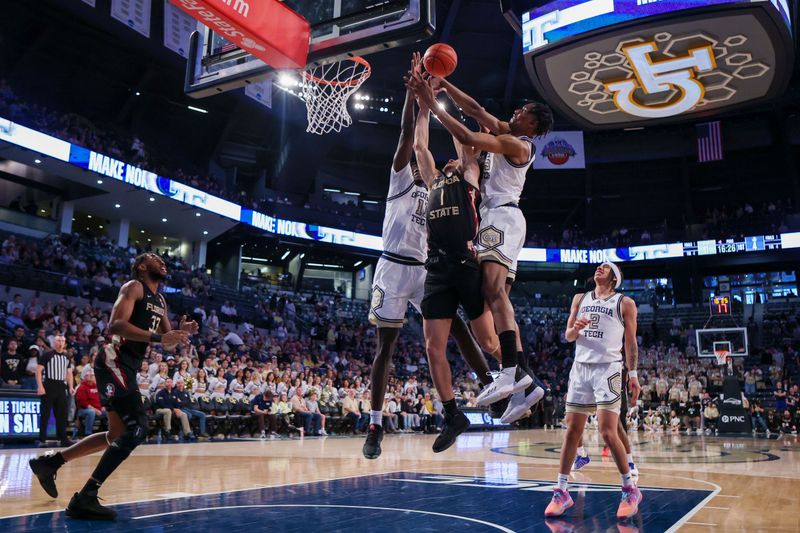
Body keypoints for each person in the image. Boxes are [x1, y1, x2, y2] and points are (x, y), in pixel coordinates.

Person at [363, 55, 499, 460]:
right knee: (384, 347)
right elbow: (412, 137)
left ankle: (490, 387)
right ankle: (374, 425)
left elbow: (456, 145)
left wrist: (435, 99)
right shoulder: (404, 176)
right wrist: (417, 99)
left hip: (426, 268)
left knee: (455, 328)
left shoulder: (446, 184)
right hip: (391, 266)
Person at [423, 75, 553, 420]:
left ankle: (510, 369)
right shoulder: (505, 132)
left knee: (493, 292)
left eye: (522, 110)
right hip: (500, 222)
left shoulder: (519, 145)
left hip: (502, 218)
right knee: (494, 299)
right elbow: (478, 111)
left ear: (532, 123)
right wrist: (446, 86)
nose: (515, 111)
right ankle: (527, 382)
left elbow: (466, 136)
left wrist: (433, 104)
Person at [28, 252, 195, 520]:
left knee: (116, 435)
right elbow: (115, 325)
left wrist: (181, 333)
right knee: (138, 428)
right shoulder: (133, 287)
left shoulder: (160, 300)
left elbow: (167, 339)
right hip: (113, 359)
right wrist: (160, 336)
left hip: (128, 365)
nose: (162, 261)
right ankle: (86, 497)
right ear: (142, 266)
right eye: (154, 258)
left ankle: (50, 463)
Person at [545, 262, 642, 520]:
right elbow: (567, 336)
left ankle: (630, 489)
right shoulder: (580, 297)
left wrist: (632, 375)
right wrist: (575, 329)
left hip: (608, 368)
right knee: (572, 430)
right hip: (581, 368)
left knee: (607, 431)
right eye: (599, 266)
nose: (600, 268)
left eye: (606, 267)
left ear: (614, 278)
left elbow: (630, 342)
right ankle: (562, 491)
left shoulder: (624, 303)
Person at [36, 334, 75, 447]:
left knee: (62, 414)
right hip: (49, 385)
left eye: (62, 341)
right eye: (58, 340)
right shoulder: (47, 355)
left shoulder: (67, 357)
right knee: (45, 414)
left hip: (61, 386)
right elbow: (38, 371)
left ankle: (62, 438)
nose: (60, 343)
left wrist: (71, 386)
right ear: (54, 343)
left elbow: (69, 373)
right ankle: (42, 439)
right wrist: (40, 386)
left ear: (65, 343)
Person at [75, 370, 106, 437]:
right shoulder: (82, 387)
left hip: (98, 409)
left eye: (92, 375)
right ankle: (88, 433)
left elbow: (102, 399)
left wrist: (103, 406)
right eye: (90, 375)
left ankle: (106, 431)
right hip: (83, 410)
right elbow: (83, 403)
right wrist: (95, 409)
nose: (92, 377)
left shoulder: (96, 386)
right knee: (91, 412)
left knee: (109, 411)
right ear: (85, 377)